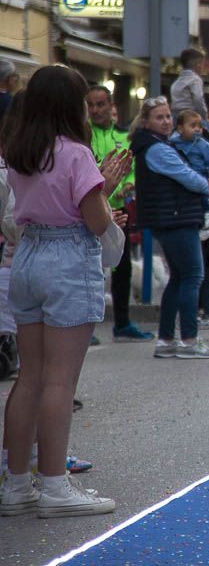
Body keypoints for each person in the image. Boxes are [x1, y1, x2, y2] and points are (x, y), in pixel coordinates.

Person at [0, 66, 131, 518]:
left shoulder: (21, 150)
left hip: (28, 255)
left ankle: (16, 484)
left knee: (29, 377)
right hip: (67, 259)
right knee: (60, 379)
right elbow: (93, 221)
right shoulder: (76, 154)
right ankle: (55, 485)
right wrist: (108, 200)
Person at [131, 98, 209, 360]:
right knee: (193, 275)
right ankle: (189, 339)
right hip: (176, 218)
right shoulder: (158, 149)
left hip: (169, 218)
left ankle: (166, 339)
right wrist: (206, 184)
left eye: (168, 116)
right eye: (160, 117)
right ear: (146, 122)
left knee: (178, 278)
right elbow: (188, 177)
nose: (166, 121)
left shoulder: (155, 145)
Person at [85, 84, 151, 342]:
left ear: (111, 106)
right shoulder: (82, 136)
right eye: (91, 105)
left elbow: (130, 167)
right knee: (90, 268)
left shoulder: (123, 136)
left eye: (100, 104)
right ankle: (84, 326)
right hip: (90, 209)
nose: (95, 110)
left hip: (118, 210)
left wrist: (129, 183)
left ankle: (122, 324)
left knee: (121, 267)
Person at [169, 109, 209, 327]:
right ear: (180, 128)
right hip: (182, 198)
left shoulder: (204, 146)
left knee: (202, 263)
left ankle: (202, 310)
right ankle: (194, 316)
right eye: (192, 125)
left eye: (199, 125)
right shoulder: (172, 145)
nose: (198, 129)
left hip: (200, 194)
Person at [169, 48, 208, 119]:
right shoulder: (195, 79)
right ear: (198, 65)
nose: (203, 68)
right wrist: (204, 114)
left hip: (175, 116)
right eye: (203, 64)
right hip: (190, 116)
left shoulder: (177, 82)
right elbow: (198, 99)